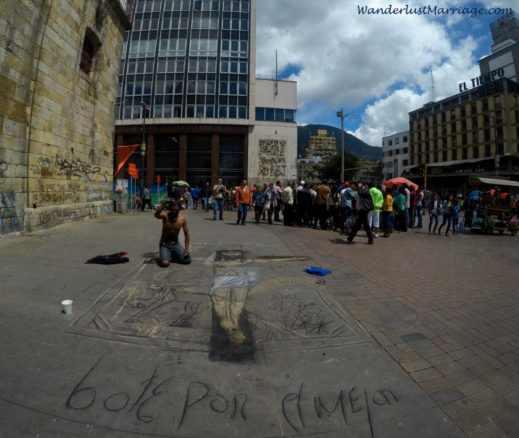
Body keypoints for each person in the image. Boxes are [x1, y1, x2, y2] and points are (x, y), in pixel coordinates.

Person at [154, 199, 191, 268]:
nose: (174, 211)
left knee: (187, 260)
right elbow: (156, 214)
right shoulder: (165, 216)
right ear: (170, 209)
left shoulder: (182, 219)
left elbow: (187, 235)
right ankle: (165, 256)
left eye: (176, 210)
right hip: (164, 244)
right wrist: (163, 204)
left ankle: (171, 255)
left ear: (179, 210)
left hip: (175, 244)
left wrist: (186, 249)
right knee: (165, 263)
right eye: (173, 209)